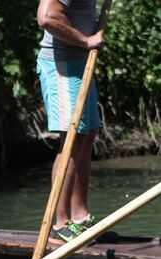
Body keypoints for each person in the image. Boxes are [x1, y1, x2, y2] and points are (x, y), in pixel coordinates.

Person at [36, 0, 104, 242]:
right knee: (73, 139)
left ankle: (80, 217)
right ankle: (60, 224)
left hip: (81, 63)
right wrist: (86, 41)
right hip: (61, 66)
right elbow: (47, 17)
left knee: (87, 135)